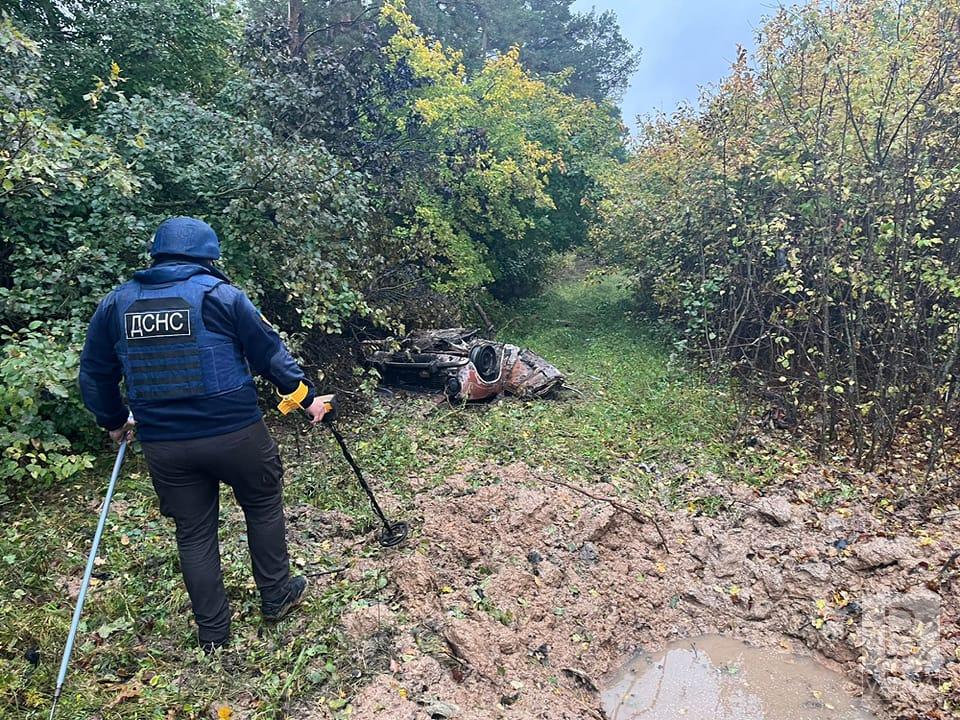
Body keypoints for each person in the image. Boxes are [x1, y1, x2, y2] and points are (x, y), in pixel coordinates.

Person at [79, 216, 329, 652]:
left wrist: (115, 420)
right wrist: (307, 399)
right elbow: (269, 354)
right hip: (236, 434)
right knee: (263, 505)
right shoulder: (221, 296)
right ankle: (276, 595)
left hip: (167, 445)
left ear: (157, 254)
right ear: (209, 256)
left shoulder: (117, 304)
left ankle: (213, 633)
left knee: (194, 533)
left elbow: (95, 374)